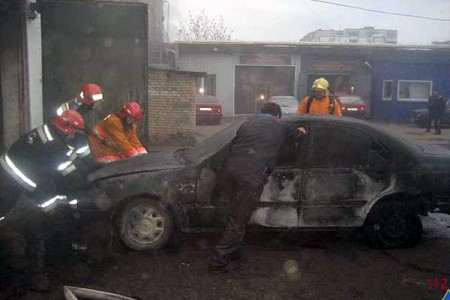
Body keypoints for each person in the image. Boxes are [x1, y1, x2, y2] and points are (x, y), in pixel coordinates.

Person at [208, 102, 306, 273]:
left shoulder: (247, 123)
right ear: (277, 115)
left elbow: (235, 146)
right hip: (250, 175)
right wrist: (302, 132)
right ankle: (218, 261)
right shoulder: (280, 124)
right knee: (239, 218)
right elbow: (298, 136)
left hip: (229, 172)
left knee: (234, 214)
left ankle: (232, 252)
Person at [0, 110, 90, 292]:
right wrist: (88, 180)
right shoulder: (53, 145)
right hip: (14, 186)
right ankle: (34, 275)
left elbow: (50, 167)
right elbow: (68, 177)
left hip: (8, 176)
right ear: (66, 127)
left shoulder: (47, 132)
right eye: (73, 132)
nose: (74, 136)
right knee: (33, 228)